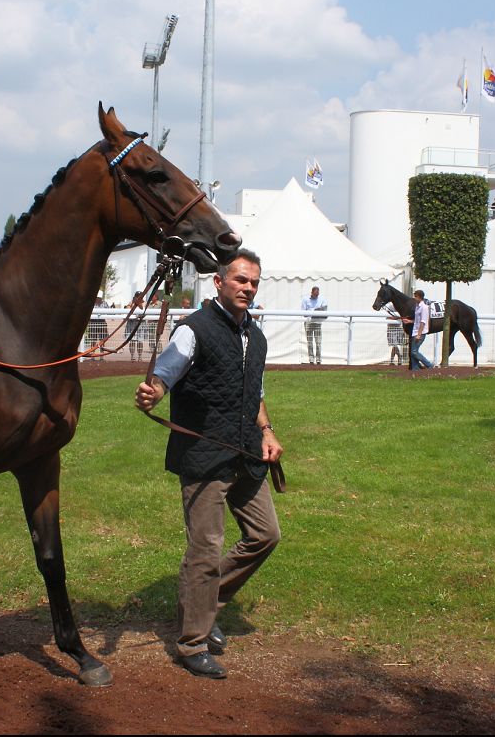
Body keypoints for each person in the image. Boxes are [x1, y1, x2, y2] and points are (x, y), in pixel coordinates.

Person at [134, 249, 283, 680]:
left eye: (253, 282)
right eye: (240, 280)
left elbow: (253, 394)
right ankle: (193, 642)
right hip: (202, 457)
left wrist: (268, 430)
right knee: (206, 548)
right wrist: (155, 391)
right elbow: (166, 372)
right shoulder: (193, 330)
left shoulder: (256, 337)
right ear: (219, 283)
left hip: (246, 454)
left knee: (265, 535)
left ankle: (203, 604)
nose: (247, 288)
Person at [404, 289, 434, 370]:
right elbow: (417, 320)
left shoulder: (424, 308)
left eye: (416, 296)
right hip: (415, 331)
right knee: (413, 351)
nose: (414, 298)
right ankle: (415, 368)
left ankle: (429, 364)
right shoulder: (417, 307)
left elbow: (423, 322)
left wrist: (419, 334)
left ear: (420, 297)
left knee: (414, 352)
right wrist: (409, 321)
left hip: (420, 333)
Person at [300, 286, 327, 364]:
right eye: (315, 294)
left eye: (317, 294)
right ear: (311, 293)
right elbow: (303, 312)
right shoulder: (305, 299)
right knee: (309, 342)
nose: (316, 296)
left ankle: (318, 360)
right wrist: (311, 313)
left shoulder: (322, 299)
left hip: (318, 322)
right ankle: (311, 360)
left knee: (318, 342)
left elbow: (325, 310)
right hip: (308, 322)